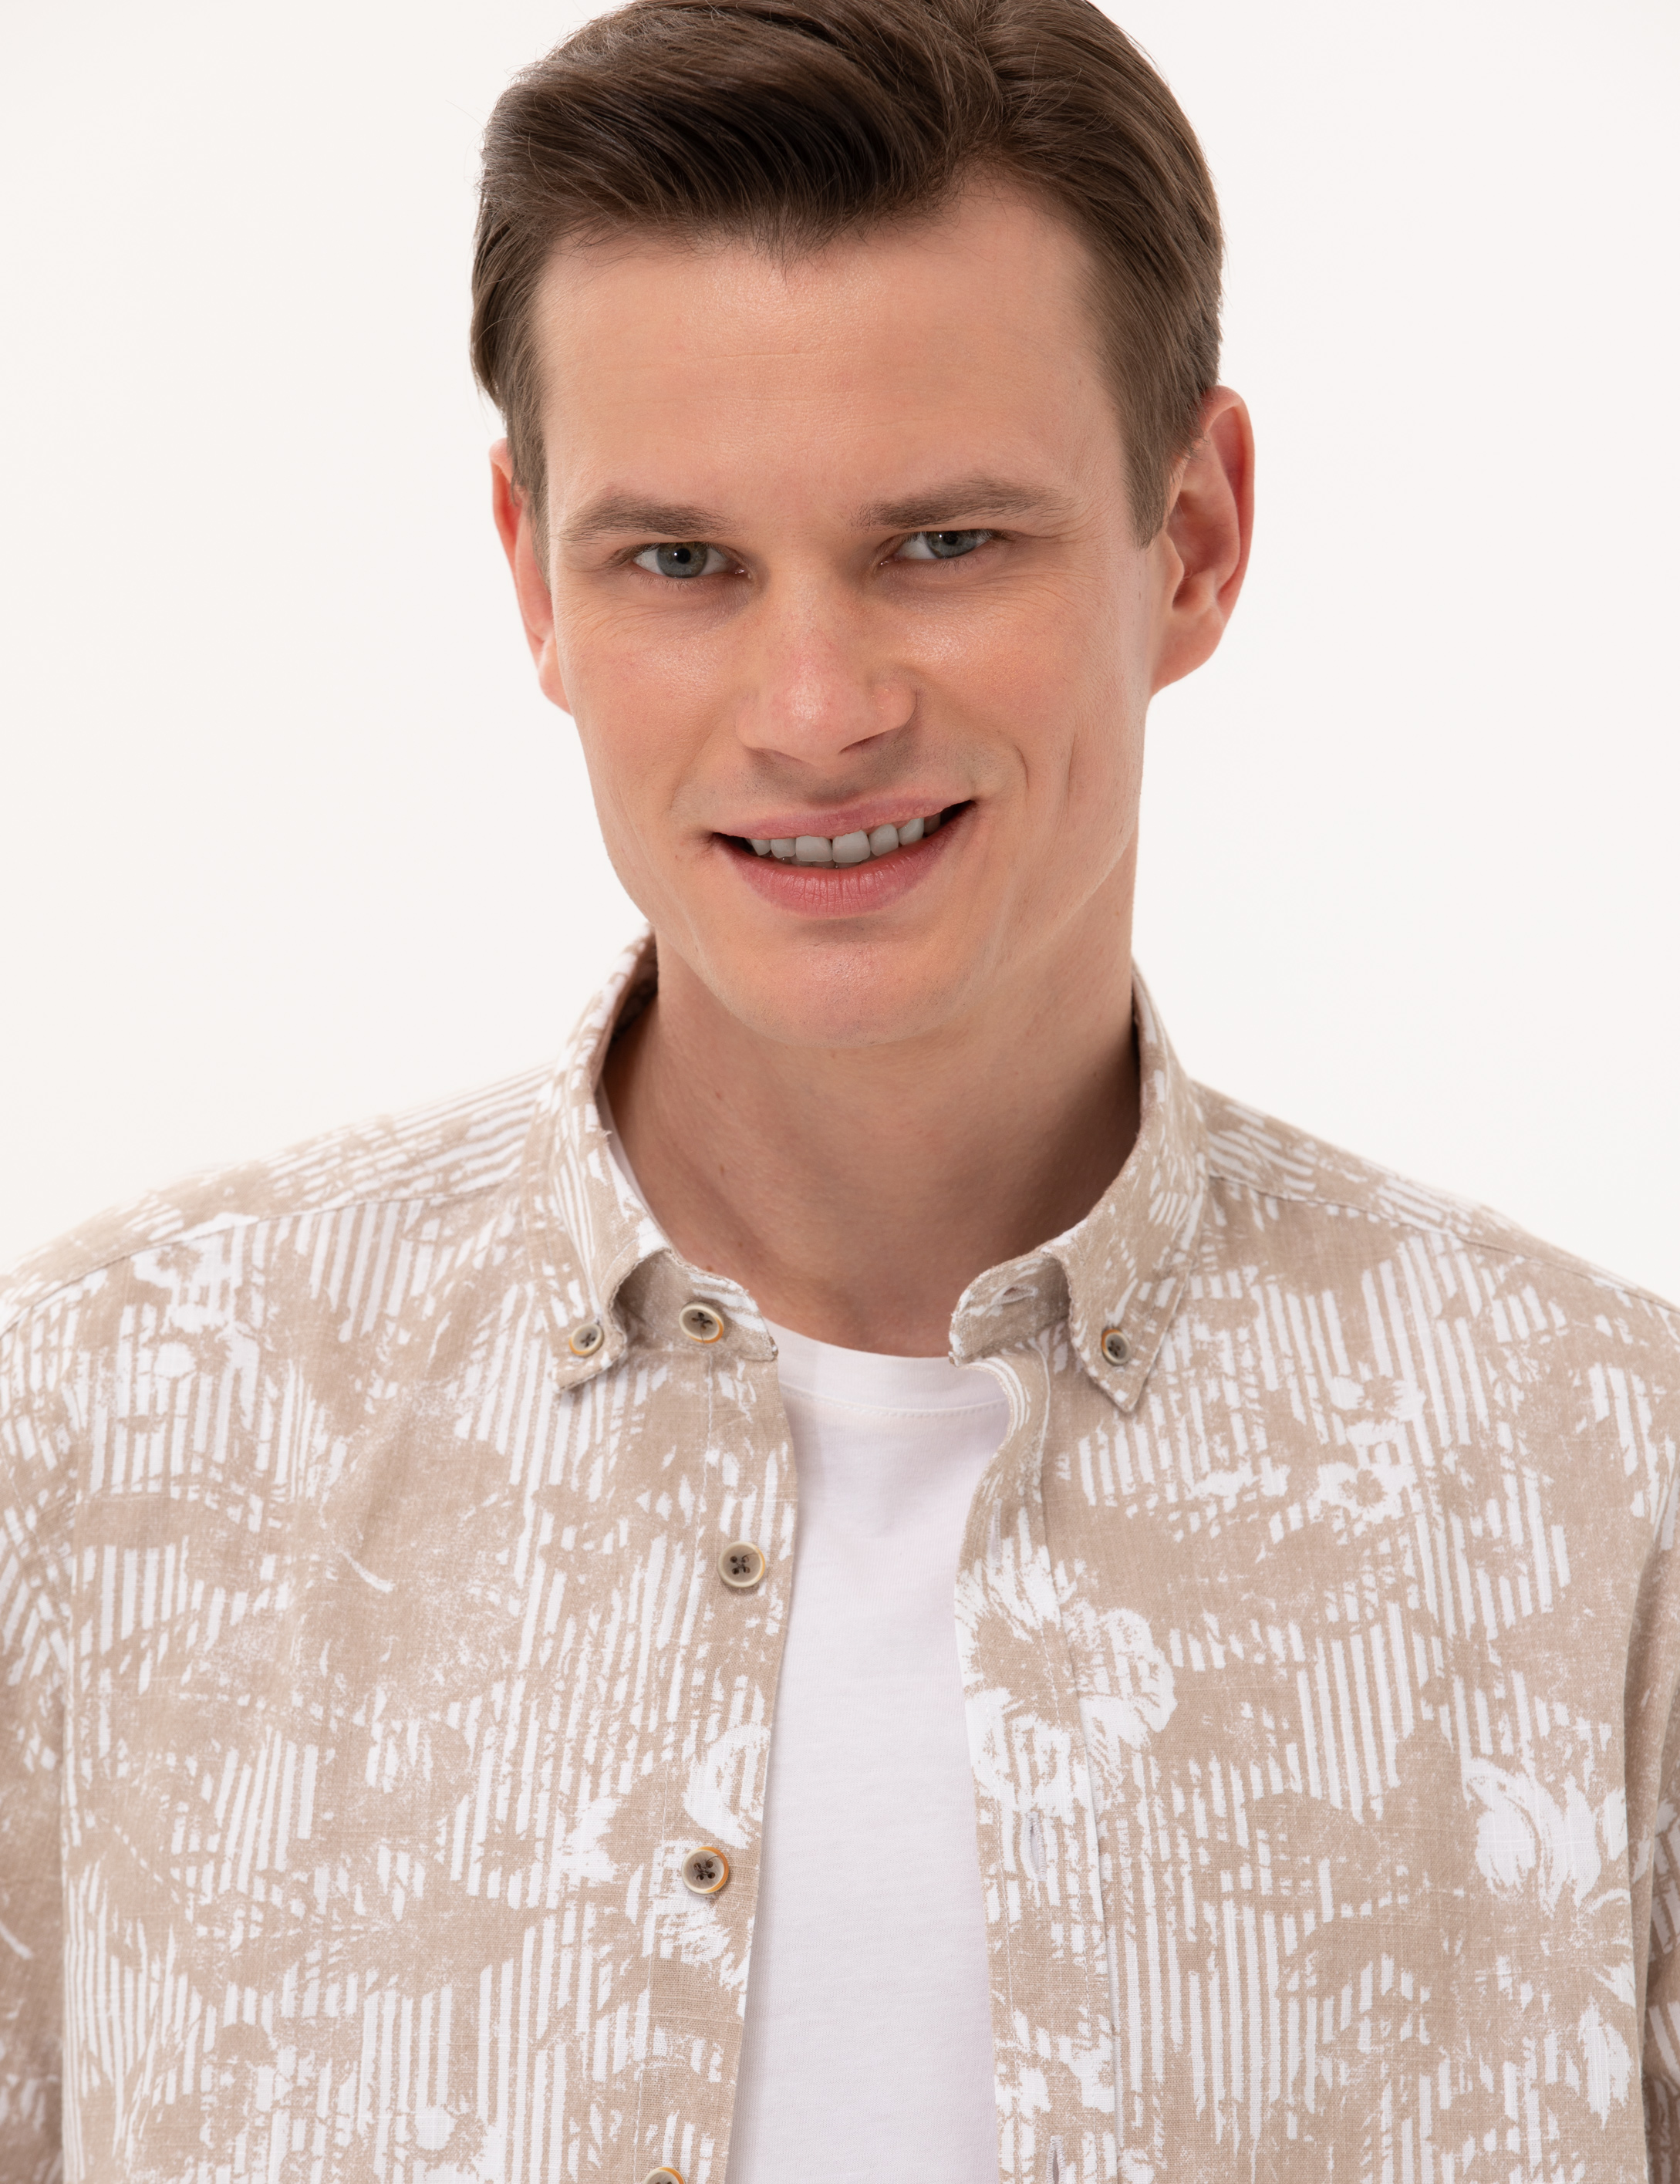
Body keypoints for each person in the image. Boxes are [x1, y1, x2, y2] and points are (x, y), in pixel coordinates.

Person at [2, 0, 1677, 2176]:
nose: (814, 710)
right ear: (531, 571)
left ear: (1190, 537)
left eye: (942, 544)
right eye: (680, 561)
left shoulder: (1602, 1496)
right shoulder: (91, 1447)